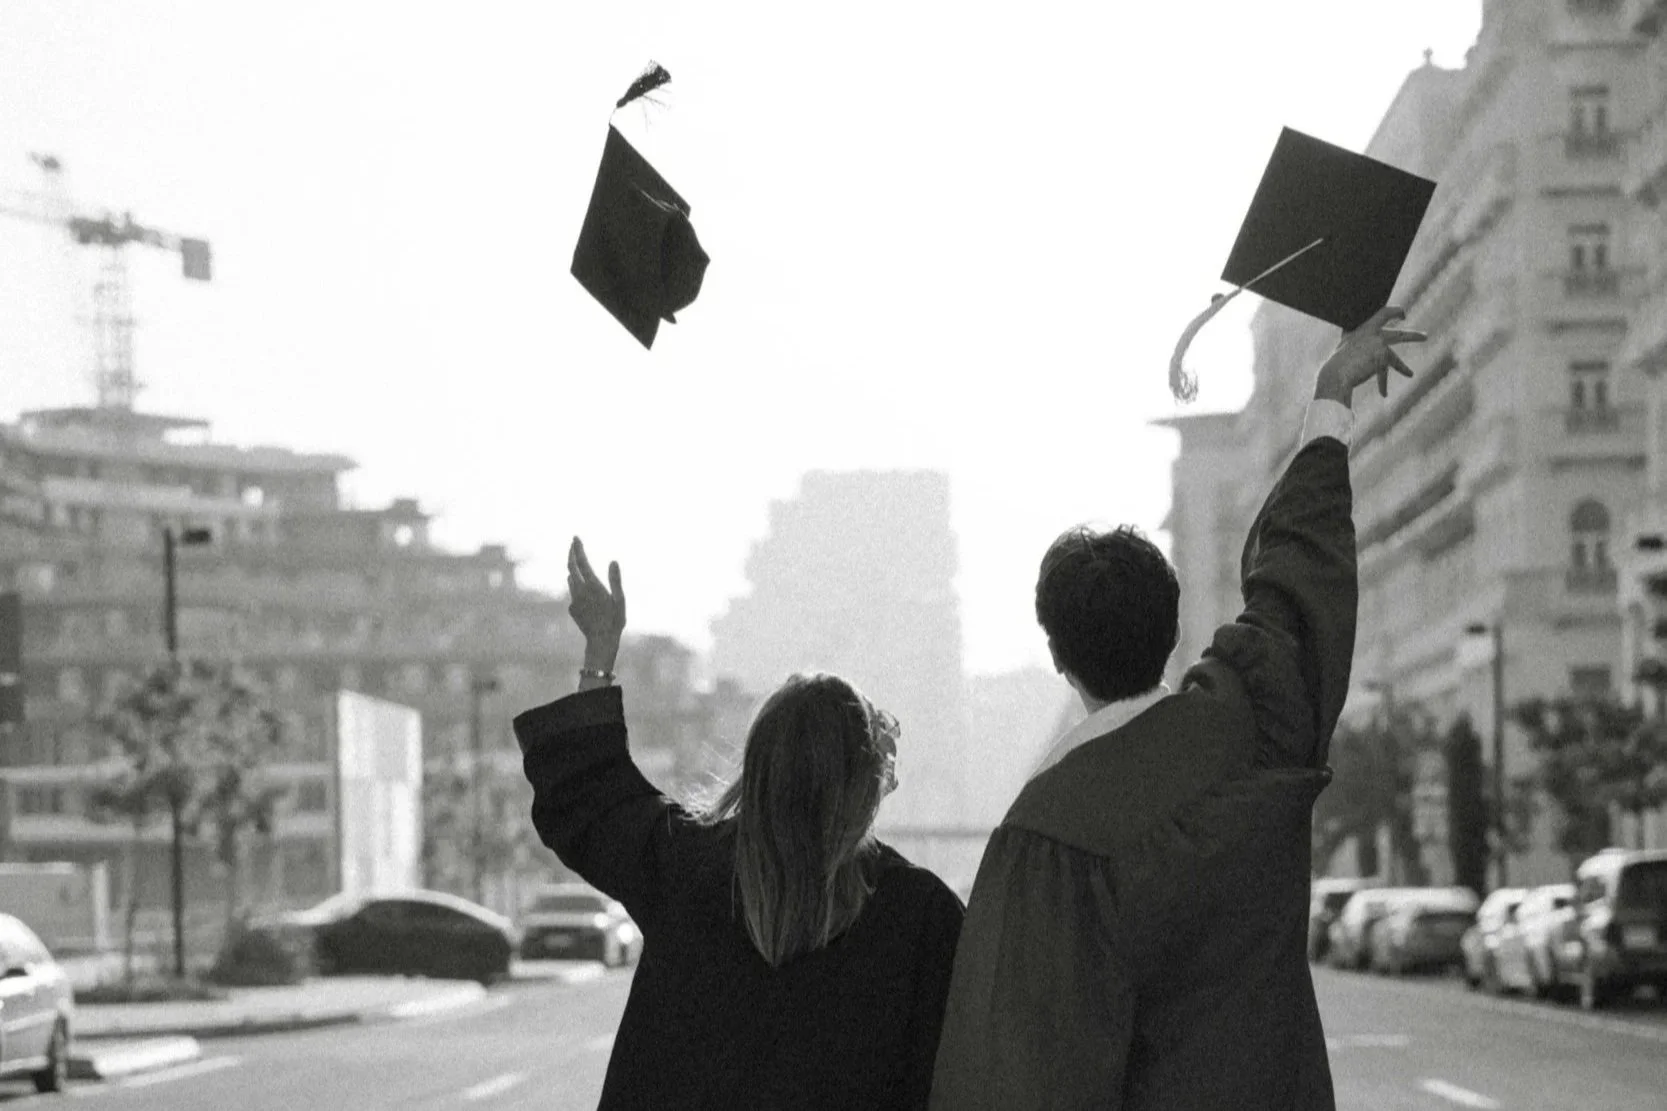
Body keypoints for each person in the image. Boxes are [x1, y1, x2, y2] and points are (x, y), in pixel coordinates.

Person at [928, 306, 1425, 1110]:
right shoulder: (1253, 718)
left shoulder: (1047, 831)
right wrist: (1327, 399)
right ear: (1170, 628)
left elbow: (1019, 1071)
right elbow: (1296, 580)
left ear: (1057, 655)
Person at [516, 538, 965, 1111]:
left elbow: (592, 790)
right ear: (866, 784)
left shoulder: (688, 869)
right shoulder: (917, 914)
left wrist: (600, 652)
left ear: (757, 766)